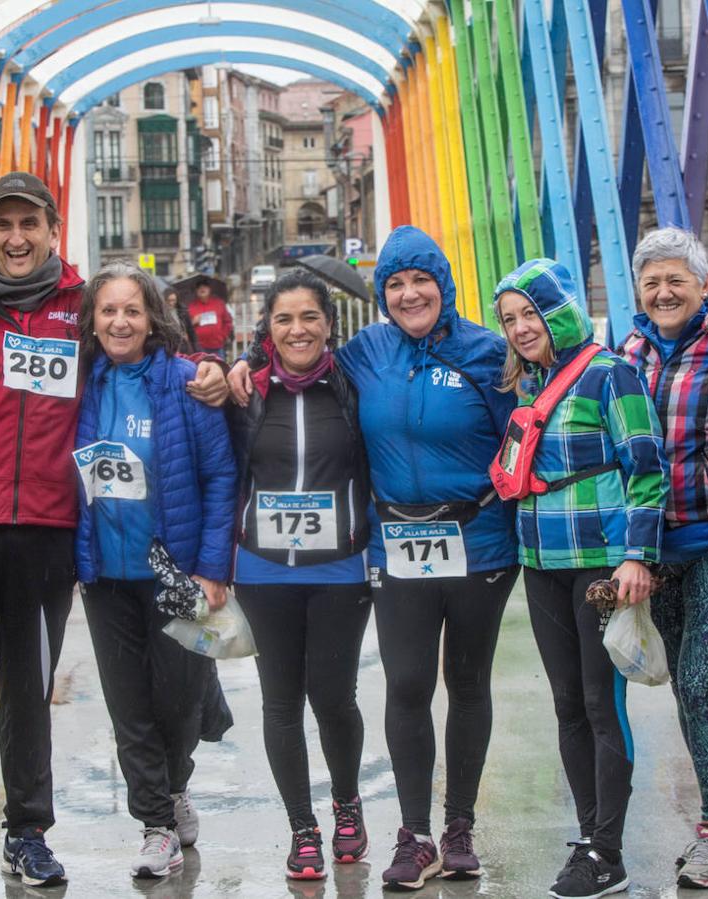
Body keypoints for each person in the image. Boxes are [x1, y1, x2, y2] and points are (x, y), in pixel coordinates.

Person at [0, 171, 228, 899]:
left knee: (28, 691)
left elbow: (146, 355)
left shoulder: (79, 311)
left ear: (50, 230)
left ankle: (28, 834)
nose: (16, 238)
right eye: (3, 225)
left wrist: (219, 375)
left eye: (29, 224)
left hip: (45, 533)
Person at [230, 225, 519, 891]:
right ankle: (415, 835)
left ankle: (459, 827)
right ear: (382, 293)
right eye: (395, 283)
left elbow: (527, 426)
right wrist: (244, 357)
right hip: (399, 544)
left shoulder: (486, 353)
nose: (410, 292)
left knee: (468, 683)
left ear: (443, 286)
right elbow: (299, 345)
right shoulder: (365, 352)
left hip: (479, 543)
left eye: (422, 280)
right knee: (409, 683)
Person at [493, 259, 668, 899]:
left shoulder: (608, 374)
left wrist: (638, 556)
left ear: (558, 309)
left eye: (529, 313)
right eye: (509, 320)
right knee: (567, 703)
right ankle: (591, 834)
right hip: (540, 562)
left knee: (601, 703)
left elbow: (646, 467)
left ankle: (609, 852)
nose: (519, 328)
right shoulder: (529, 384)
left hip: (598, 564)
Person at [73, 263, 236, 880]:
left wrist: (214, 567)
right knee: (128, 703)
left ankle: (175, 784)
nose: (119, 322)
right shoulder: (82, 386)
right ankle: (156, 825)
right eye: (108, 310)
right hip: (105, 573)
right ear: (92, 320)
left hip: (177, 572)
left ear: (151, 320)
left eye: (131, 311)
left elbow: (221, 475)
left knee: (178, 698)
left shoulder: (187, 382)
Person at [620, 227, 708, 887]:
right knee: (696, 687)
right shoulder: (630, 350)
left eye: (677, 279)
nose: (664, 291)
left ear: (703, 286)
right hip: (655, 547)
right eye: (652, 282)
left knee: (701, 683)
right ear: (640, 293)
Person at [229, 269, 373, 881]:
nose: (297, 329)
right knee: (281, 703)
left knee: (334, 698)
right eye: (284, 319)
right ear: (267, 329)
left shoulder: (353, 386)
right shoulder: (248, 393)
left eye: (309, 317)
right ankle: (302, 828)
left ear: (329, 325)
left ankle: (346, 805)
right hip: (262, 572)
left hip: (340, 568)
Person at [187, 277, 234, 358]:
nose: (202, 288)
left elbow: (228, 322)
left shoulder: (219, 303)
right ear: (196, 291)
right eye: (199, 287)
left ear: (209, 289)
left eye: (205, 286)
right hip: (199, 347)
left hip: (218, 346)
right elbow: (185, 327)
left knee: (219, 369)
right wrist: (193, 322)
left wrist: (223, 336)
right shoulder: (191, 307)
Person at [165, 286, 199, 353]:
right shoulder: (161, 313)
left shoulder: (182, 310)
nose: (171, 303)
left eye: (173, 300)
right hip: (169, 346)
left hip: (183, 345)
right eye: (169, 300)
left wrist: (196, 348)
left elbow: (190, 330)